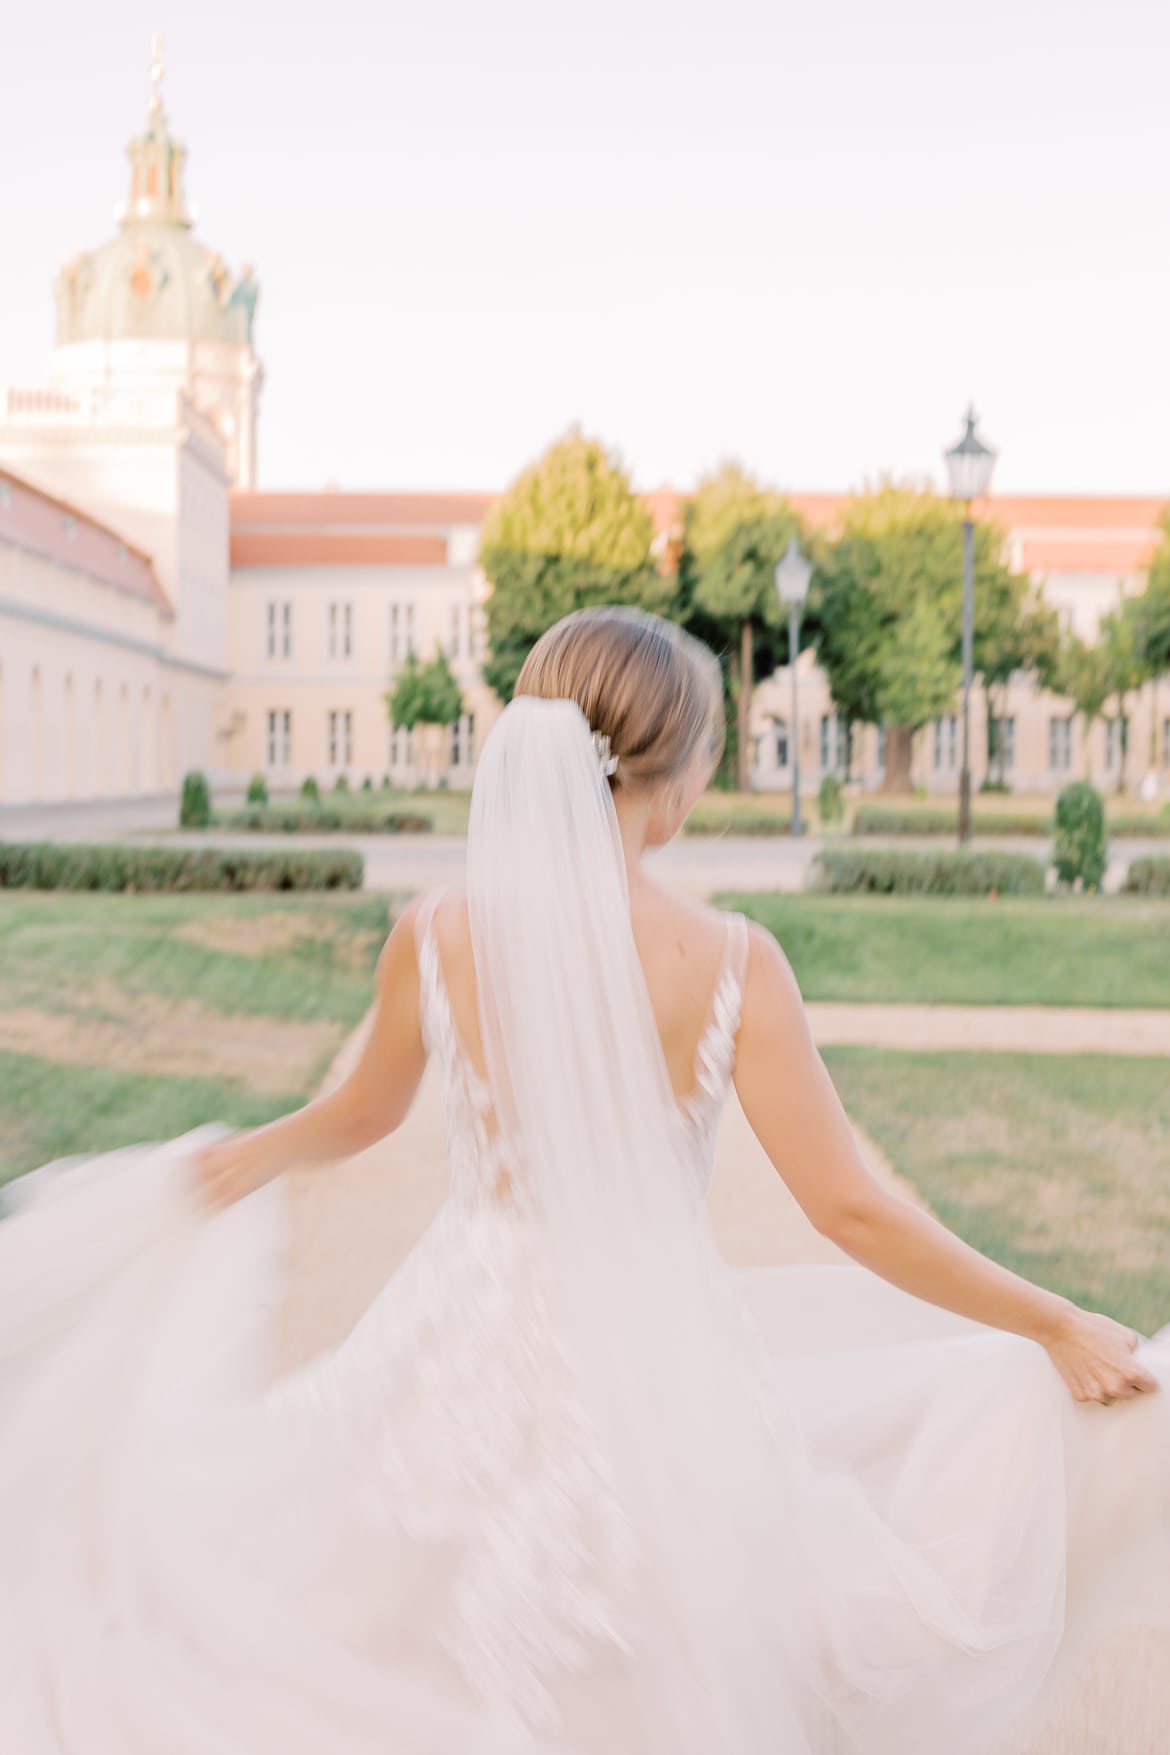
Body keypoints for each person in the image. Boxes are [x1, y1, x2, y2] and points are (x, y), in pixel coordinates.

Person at [1, 604, 1168, 1755]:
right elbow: (850, 1208)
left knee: (394, 1607)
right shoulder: (731, 961)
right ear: (680, 769)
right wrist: (1050, 1318)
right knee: (673, 1615)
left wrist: (243, 1159)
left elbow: (363, 1113)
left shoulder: (438, 933)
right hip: (660, 1342)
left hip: (462, 1332)